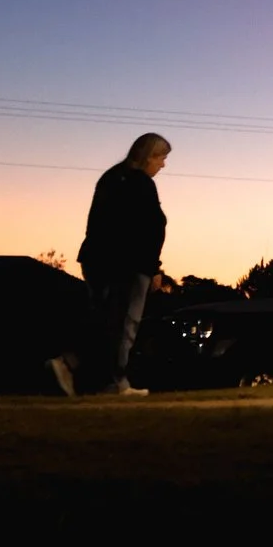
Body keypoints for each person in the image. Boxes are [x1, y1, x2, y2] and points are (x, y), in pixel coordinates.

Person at [66, 132, 173, 396]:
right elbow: (146, 229)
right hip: (128, 264)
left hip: (96, 259)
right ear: (149, 156)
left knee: (104, 320)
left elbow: (99, 223)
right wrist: (154, 268)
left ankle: (75, 367)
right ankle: (114, 380)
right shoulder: (141, 184)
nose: (163, 165)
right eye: (161, 158)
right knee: (125, 323)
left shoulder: (111, 177)